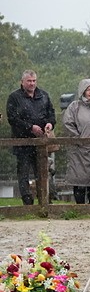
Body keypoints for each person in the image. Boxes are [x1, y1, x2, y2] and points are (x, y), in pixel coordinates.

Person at [5, 70, 56, 205]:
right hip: (22, 142)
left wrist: (50, 123)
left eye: (34, 81)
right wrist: (30, 127)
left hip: (40, 142)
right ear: (22, 82)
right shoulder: (14, 97)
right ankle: (27, 202)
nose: (32, 83)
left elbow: (51, 113)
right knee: (24, 173)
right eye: (29, 81)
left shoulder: (43, 95)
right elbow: (12, 118)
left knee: (42, 172)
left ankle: (44, 201)